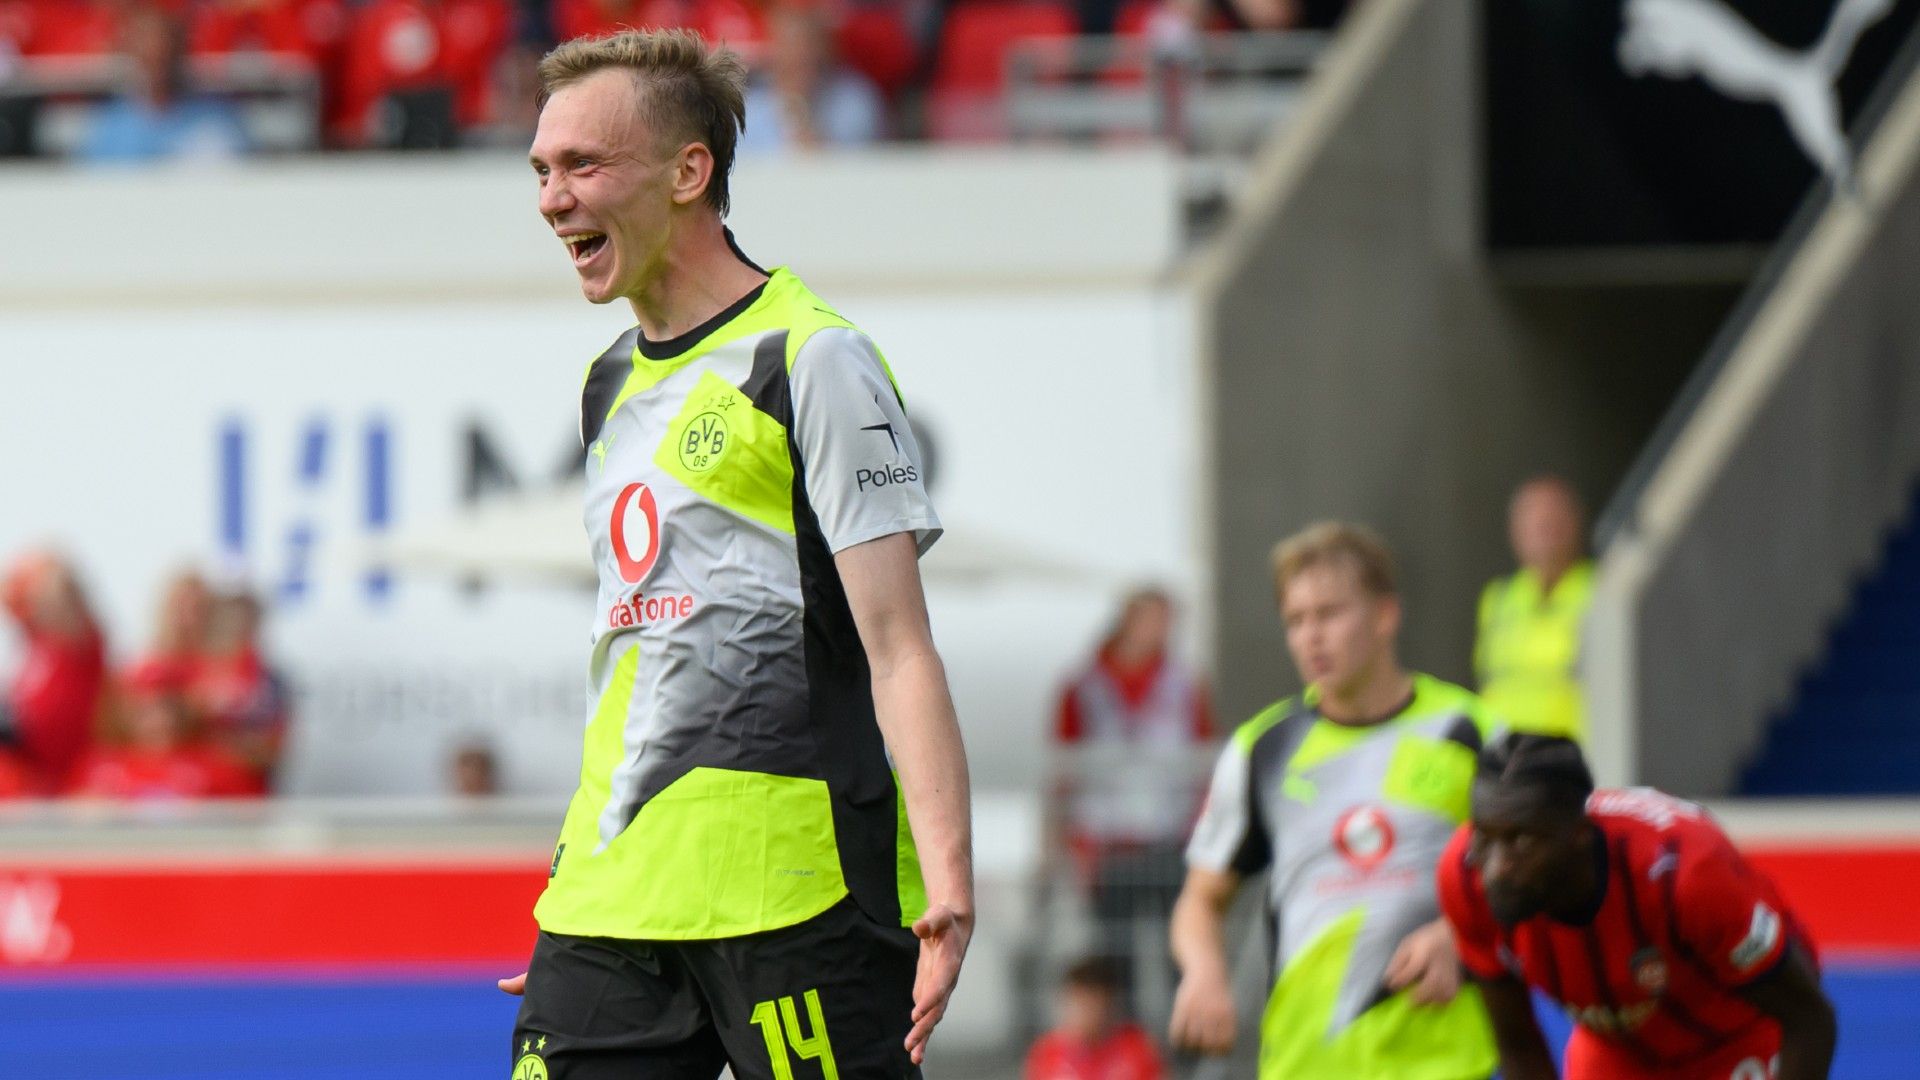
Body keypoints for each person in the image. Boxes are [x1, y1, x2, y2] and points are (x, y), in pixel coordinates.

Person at [501, 28, 973, 1079]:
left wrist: (947, 883)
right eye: (541, 169)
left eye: (583, 164)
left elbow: (898, 646)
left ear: (687, 171)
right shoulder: (607, 382)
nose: (551, 197)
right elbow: (636, 654)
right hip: (614, 899)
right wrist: (575, 888)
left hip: (796, 886)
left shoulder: (810, 356)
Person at [1169, 522, 1498, 1079]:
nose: (1310, 637)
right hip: (1307, 1063)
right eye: (1295, 620)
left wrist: (1461, 933)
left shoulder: (1469, 731)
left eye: (1329, 614)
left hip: (1449, 1062)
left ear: (1385, 616)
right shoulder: (1263, 750)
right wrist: (1204, 972)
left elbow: (1541, 878)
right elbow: (1200, 901)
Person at [1437, 734, 1837, 1080]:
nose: (1494, 870)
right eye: (1483, 837)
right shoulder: (1463, 879)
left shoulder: (1685, 875)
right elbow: (1520, 1047)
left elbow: (1808, 1020)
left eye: (1521, 842)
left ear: (1578, 833)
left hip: (1736, 1039)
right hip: (1618, 1053)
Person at [1049, 587, 1211, 998]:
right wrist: (1069, 844)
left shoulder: (1183, 684)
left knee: (1180, 952)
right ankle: (1126, 1049)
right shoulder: (1084, 686)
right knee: (1117, 963)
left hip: (1169, 840)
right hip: (1109, 846)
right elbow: (1064, 774)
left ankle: (1183, 1050)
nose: (1164, 631)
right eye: (1155, 620)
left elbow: (1206, 762)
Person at [1475, 475, 1595, 741]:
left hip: (1576, 768)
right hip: (1509, 766)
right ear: (1514, 530)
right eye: (1534, 522)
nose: (1544, 531)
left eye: (1553, 521)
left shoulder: (1601, 593)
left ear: (1575, 524)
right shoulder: (1498, 599)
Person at [83, 5, 251, 163]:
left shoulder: (217, 122)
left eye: (164, 53)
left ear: (181, 51)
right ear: (131, 54)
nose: (157, 62)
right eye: (147, 57)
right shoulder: (110, 128)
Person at [66, 663, 255, 801]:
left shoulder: (217, 765)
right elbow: (66, 817)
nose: (157, 719)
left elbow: (252, 819)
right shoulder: (98, 767)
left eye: (166, 707)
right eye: (144, 709)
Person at [2, 551, 107, 791]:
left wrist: (43, 565)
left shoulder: (81, 644)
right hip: (34, 780)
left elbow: (64, 590)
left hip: (73, 779)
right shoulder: (35, 645)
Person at [737, 2, 884, 154]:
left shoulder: (855, 103)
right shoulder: (748, 112)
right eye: (788, 45)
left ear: (824, 49)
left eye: (807, 44)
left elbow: (865, 165)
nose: (799, 56)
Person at [192, 588, 290, 794]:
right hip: (194, 795)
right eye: (226, 621)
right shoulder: (188, 671)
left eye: (245, 623)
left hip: (249, 798)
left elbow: (273, 750)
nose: (234, 630)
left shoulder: (270, 681)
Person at [1024, 956, 1165, 1080]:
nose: (1082, 1013)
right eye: (1076, 1004)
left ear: (1108, 1004)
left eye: (1090, 1005)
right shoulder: (1046, 1053)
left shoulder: (1138, 1048)